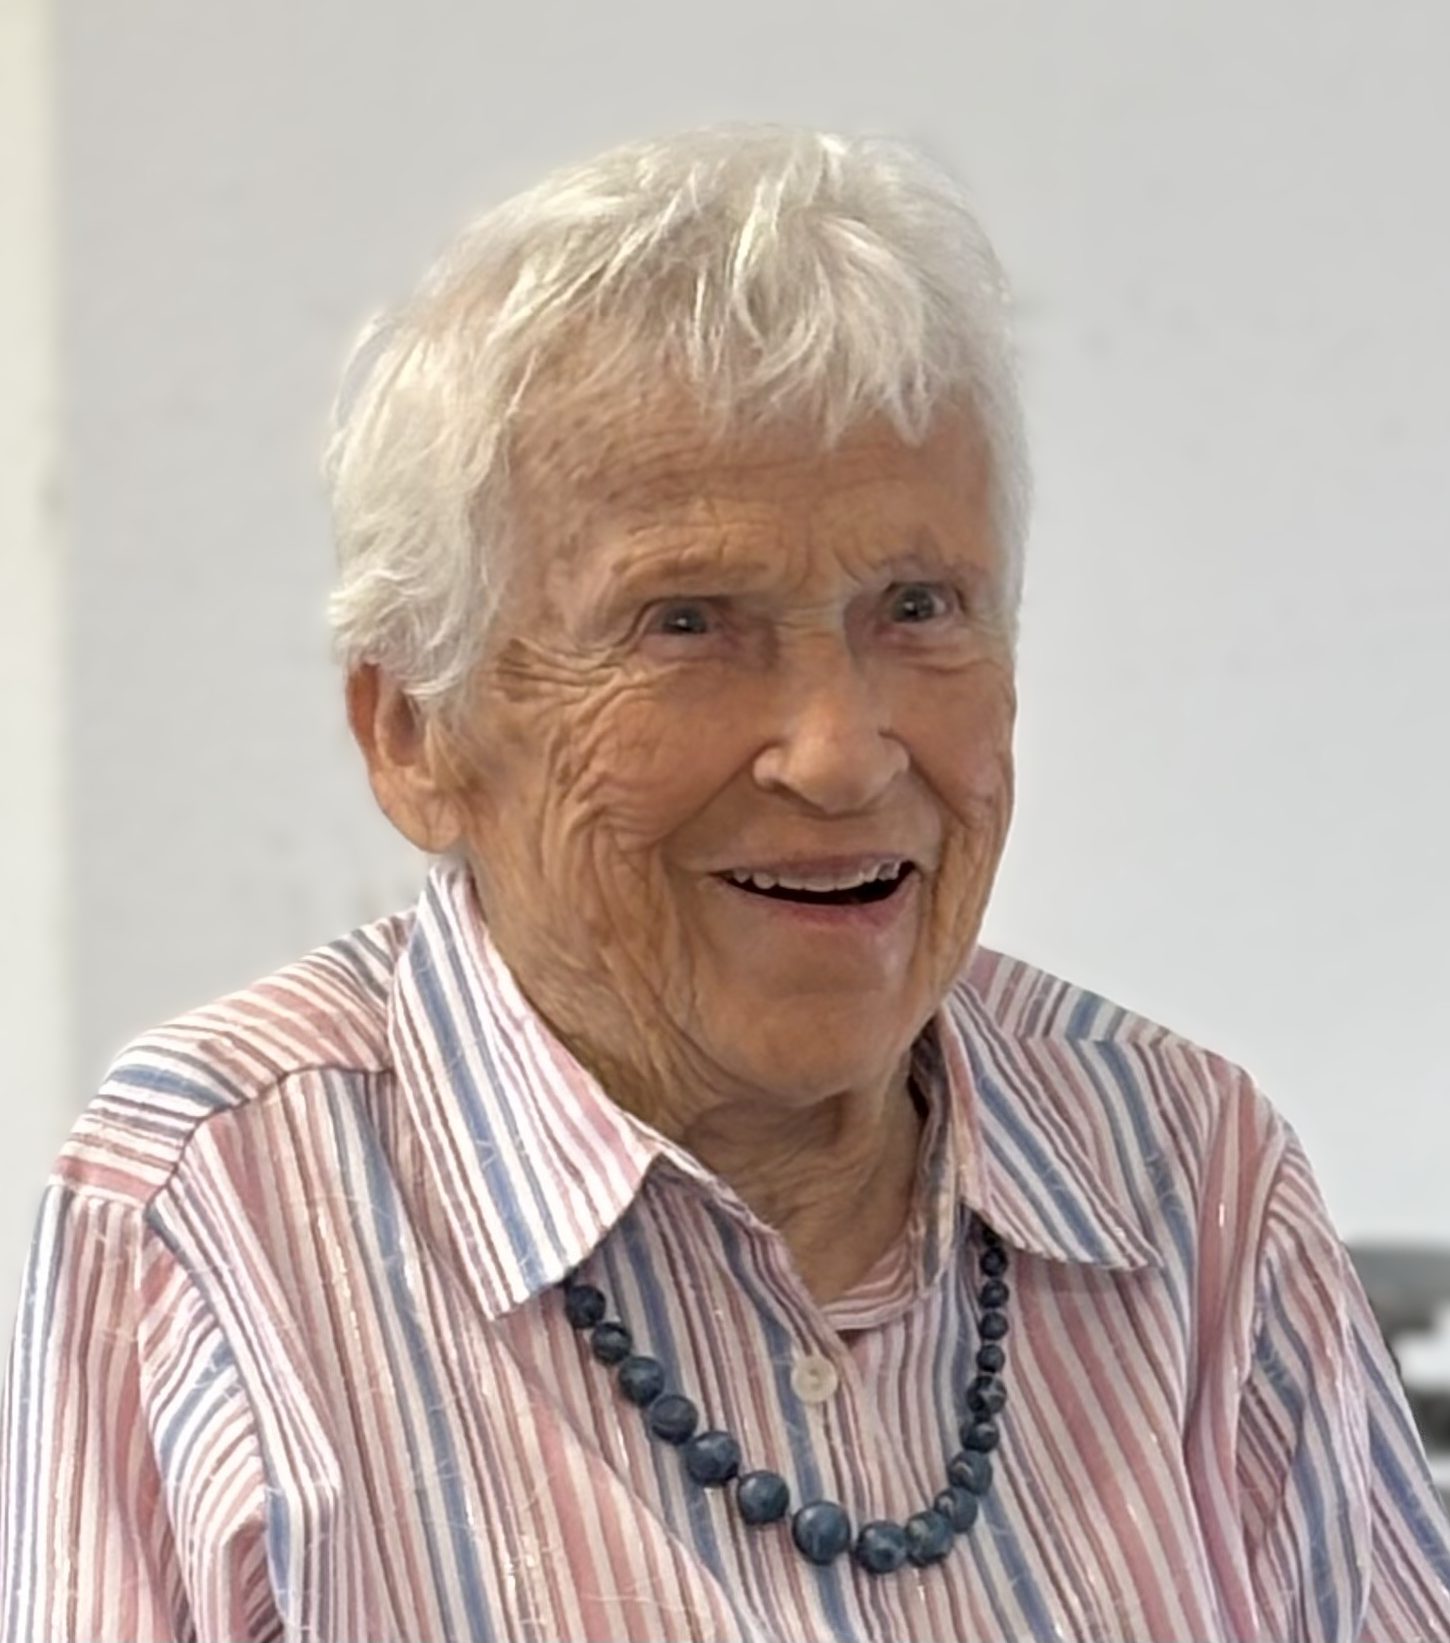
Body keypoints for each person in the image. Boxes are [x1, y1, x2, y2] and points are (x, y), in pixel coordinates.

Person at [3, 124, 1448, 1643]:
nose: (840, 755)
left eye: (916, 606)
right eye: (685, 622)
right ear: (416, 734)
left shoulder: (1189, 1172)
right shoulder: (212, 1221)